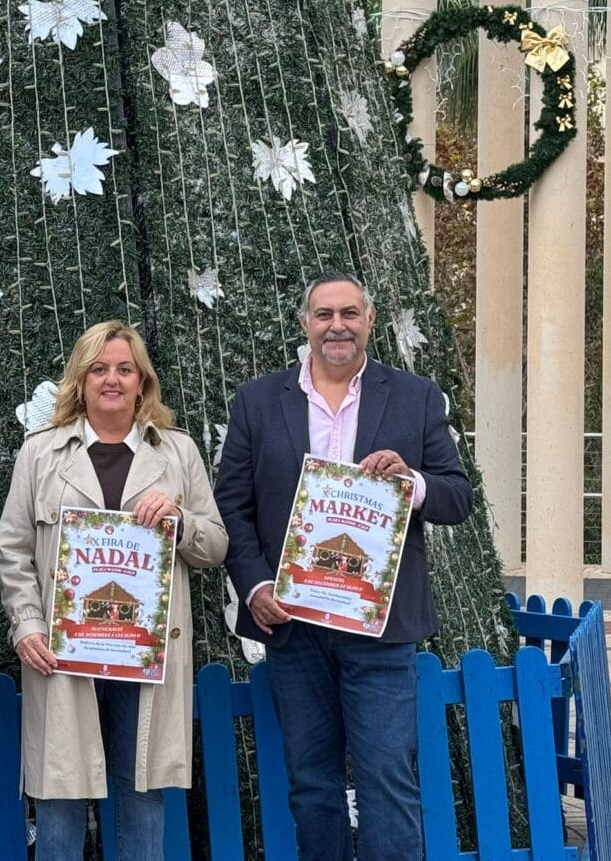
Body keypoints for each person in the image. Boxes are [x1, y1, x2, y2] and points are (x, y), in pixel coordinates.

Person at [215, 271, 473, 861]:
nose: (338, 325)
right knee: (312, 785)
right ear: (304, 323)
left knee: (387, 780)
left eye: (350, 314)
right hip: (293, 626)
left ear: (370, 321)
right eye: (324, 314)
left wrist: (412, 482)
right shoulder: (258, 400)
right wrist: (254, 584)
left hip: (380, 631)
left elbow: (457, 497)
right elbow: (232, 503)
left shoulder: (414, 396)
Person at [0, 320, 228, 860]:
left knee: (140, 790)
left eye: (125, 369)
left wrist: (179, 518)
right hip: (63, 653)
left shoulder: (177, 452)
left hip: (145, 656)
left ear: (142, 381)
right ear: (79, 380)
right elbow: (13, 550)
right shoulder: (40, 453)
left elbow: (215, 546)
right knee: (61, 794)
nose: (112, 379)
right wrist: (28, 625)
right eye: (99, 368)